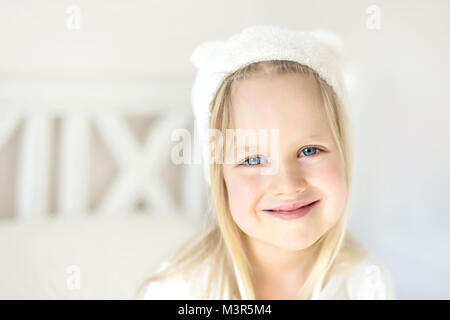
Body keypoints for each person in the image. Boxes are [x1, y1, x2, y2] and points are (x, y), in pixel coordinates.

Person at [137, 25, 397, 300]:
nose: (287, 184)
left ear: (345, 154)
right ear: (219, 176)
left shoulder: (365, 284)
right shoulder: (182, 291)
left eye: (309, 150)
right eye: (253, 159)